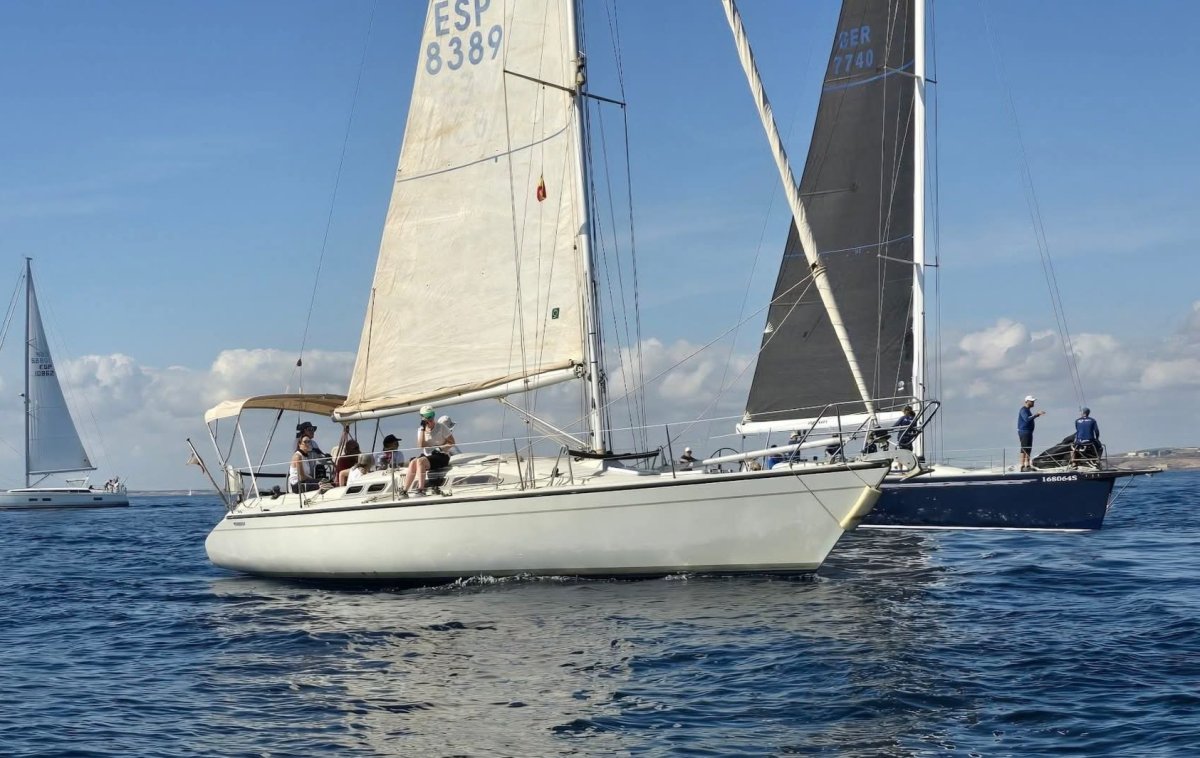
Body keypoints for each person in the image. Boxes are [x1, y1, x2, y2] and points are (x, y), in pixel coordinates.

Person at [403, 406, 457, 496]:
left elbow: (451, 442)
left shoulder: (441, 427)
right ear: (422, 418)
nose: (430, 418)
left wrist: (440, 448)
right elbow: (421, 445)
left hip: (441, 455)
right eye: (427, 416)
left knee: (420, 461)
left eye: (432, 415)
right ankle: (404, 491)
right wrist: (423, 429)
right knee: (413, 462)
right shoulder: (421, 430)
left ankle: (421, 489)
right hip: (428, 456)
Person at [1017, 395, 1046, 472]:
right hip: (1024, 431)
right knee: (1024, 448)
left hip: (1029, 431)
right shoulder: (1023, 410)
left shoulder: (1028, 410)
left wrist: (1036, 415)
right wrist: (1036, 414)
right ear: (1027, 401)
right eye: (1031, 401)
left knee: (1028, 448)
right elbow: (1027, 419)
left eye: (1033, 401)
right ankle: (1022, 466)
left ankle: (1027, 465)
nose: (1033, 403)